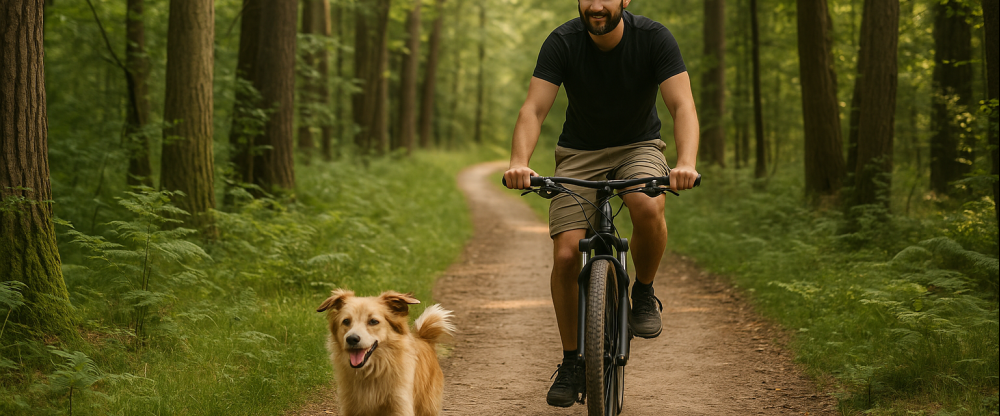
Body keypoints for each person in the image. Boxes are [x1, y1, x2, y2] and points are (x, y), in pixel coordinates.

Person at [502, 0, 700, 408]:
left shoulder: (653, 38)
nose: (596, 5)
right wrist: (519, 162)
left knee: (646, 204)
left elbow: (682, 105)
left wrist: (685, 163)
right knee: (565, 254)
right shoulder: (562, 41)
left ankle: (642, 292)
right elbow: (534, 108)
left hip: (639, 146)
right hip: (579, 153)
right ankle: (572, 361)